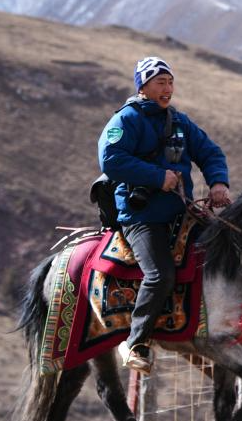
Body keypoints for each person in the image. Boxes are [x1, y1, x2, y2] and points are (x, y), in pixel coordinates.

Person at [98, 56, 231, 373]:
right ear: (143, 87)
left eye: (170, 82)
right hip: (141, 216)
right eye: (161, 82)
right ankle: (135, 343)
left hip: (181, 212)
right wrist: (158, 177)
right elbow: (110, 159)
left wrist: (218, 183)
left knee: (226, 250)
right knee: (160, 275)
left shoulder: (180, 122)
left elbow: (210, 152)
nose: (168, 88)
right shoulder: (126, 120)